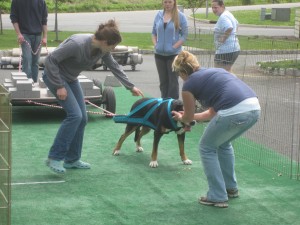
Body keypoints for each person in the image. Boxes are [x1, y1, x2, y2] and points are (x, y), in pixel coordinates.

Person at [43, 20, 144, 174]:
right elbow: (50, 60)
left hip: (70, 78)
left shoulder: (102, 50)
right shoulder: (77, 44)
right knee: (75, 116)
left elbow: (114, 66)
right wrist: (59, 86)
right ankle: (54, 157)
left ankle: (72, 159)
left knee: (83, 118)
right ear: (104, 41)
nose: (113, 49)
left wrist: (130, 86)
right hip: (55, 77)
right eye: (112, 46)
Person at [172, 50, 261, 208]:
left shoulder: (188, 84)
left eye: (178, 73)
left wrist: (182, 118)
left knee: (206, 147)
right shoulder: (217, 72)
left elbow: (189, 116)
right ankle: (230, 188)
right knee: (223, 143)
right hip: (253, 108)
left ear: (182, 72)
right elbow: (211, 113)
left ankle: (217, 196)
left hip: (233, 111)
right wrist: (188, 117)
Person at [152, 0, 188, 99]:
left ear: (174, 3)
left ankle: (173, 105)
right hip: (159, 54)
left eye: (170, 2)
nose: (167, 4)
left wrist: (174, 47)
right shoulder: (158, 15)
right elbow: (153, 32)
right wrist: (156, 45)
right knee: (163, 82)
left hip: (173, 55)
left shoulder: (180, 16)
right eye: (165, 2)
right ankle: (163, 103)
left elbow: (184, 35)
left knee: (173, 82)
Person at [10, 0, 48, 85]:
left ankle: (34, 83)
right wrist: (19, 34)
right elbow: (14, 18)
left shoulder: (41, 1)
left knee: (35, 61)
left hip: (38, 35)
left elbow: (44, 20)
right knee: (27, 59)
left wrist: (45, 37)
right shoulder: (16, 1)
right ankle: (26, 84)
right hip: (24, 35)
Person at [211, 0, 240, 72]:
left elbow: (229, 27)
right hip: (234, 49)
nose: (214, 10)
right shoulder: (228, 14)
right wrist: (233, 35)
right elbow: (237, 23)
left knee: (219, 73)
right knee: (227, 72)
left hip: (225, 51)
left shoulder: (223, 17)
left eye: (216, 7)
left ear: (222, 6)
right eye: (212, 8)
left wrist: (223, 39)